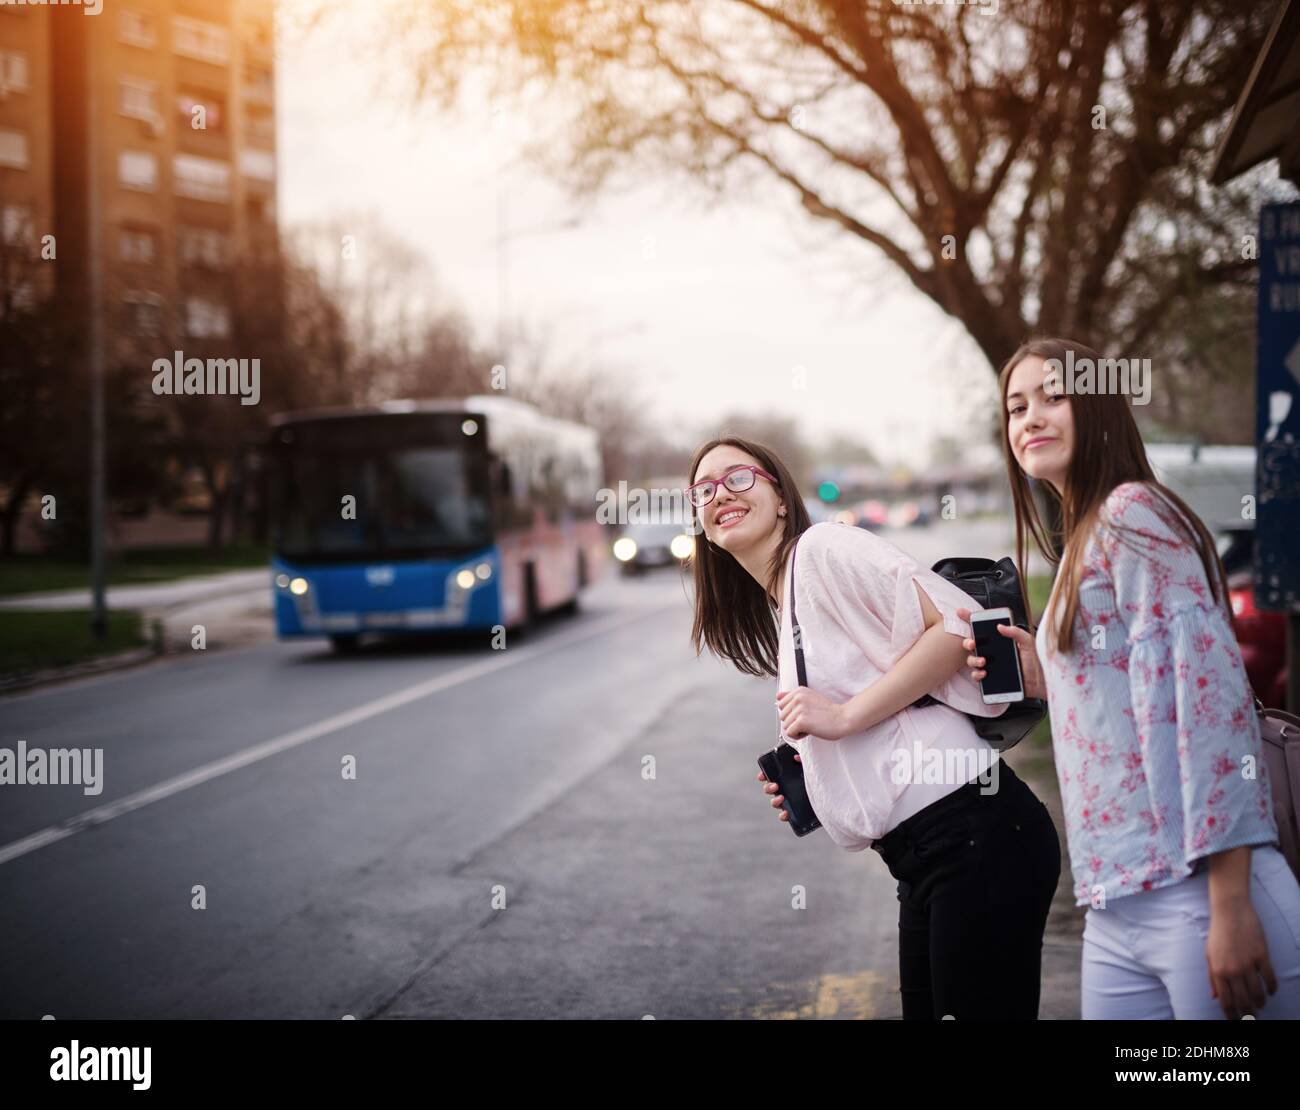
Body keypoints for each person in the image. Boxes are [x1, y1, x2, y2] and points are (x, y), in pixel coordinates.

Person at [963, 336, 1300, 1019]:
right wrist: (1046, 674)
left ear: (1099, 405)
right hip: (1114, 902)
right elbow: (1124, 695)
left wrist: (1230, 907)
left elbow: (1212, 711)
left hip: (1195, 890)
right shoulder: (1087, 532)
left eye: (1054, 397)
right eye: (1016, 406)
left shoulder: (1133, 516)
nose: (1031, 417)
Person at [686, 435, 1061, 1020]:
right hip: (923, 858)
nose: (719, 495)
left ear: (780, 495)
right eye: (703, 490)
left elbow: (957, 626)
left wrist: (842, 718)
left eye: (737, 478)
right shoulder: (786, 600)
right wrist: (817, 776)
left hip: (975, 837)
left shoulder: (821, 549)